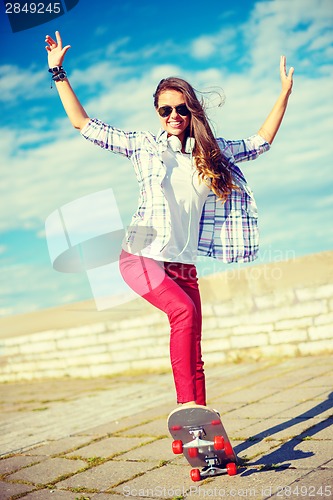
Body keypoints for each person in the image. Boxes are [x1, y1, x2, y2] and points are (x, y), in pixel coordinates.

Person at [45, 31, 294, 409]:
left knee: (193, 341)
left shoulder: (213, 152)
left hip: (183, 262)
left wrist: (284, 95)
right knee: (183, 312)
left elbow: (260, 142)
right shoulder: (143, 145)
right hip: (140, 255)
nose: (174, 116)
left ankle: (201, 424)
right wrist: (58, 72)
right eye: (165, 110)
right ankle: (185, 408)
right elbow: (84, 124)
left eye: (181, 109)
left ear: (191, 110)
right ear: (158, 114)